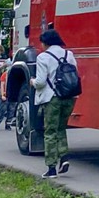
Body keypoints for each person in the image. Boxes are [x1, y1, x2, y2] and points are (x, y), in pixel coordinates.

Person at [33, 28, 76, 179]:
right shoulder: (68, 54)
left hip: (52, 98)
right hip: (69, 97)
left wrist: (32, 81)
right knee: (61, 127)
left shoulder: (43, 57)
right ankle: (64, 158)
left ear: (46, 42)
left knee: (50, 131)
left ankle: (51, 167)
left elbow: (40, 82)